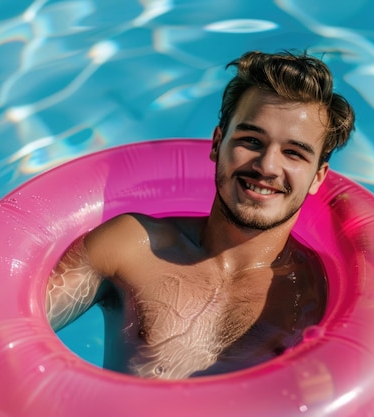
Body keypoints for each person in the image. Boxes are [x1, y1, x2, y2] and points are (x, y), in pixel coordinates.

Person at [45, 50, 355, 379]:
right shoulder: (131, 247)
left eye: (293, 153)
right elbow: (8, 324)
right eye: (251, 140)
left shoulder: (321, 297)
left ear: (318, 177)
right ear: (217, 142)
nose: (266, 166)